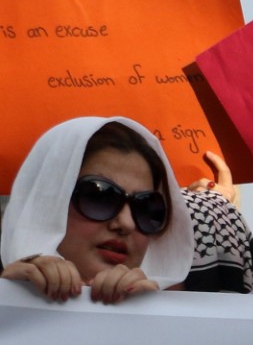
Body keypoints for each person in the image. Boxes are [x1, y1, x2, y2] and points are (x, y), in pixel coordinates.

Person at [1, 116, 192, 302]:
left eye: (147, 207)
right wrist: (10, 302)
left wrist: (152, 316)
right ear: (47, 204)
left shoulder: (178, 315)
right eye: (99, 197)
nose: (127, 223)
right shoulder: (8, 307)